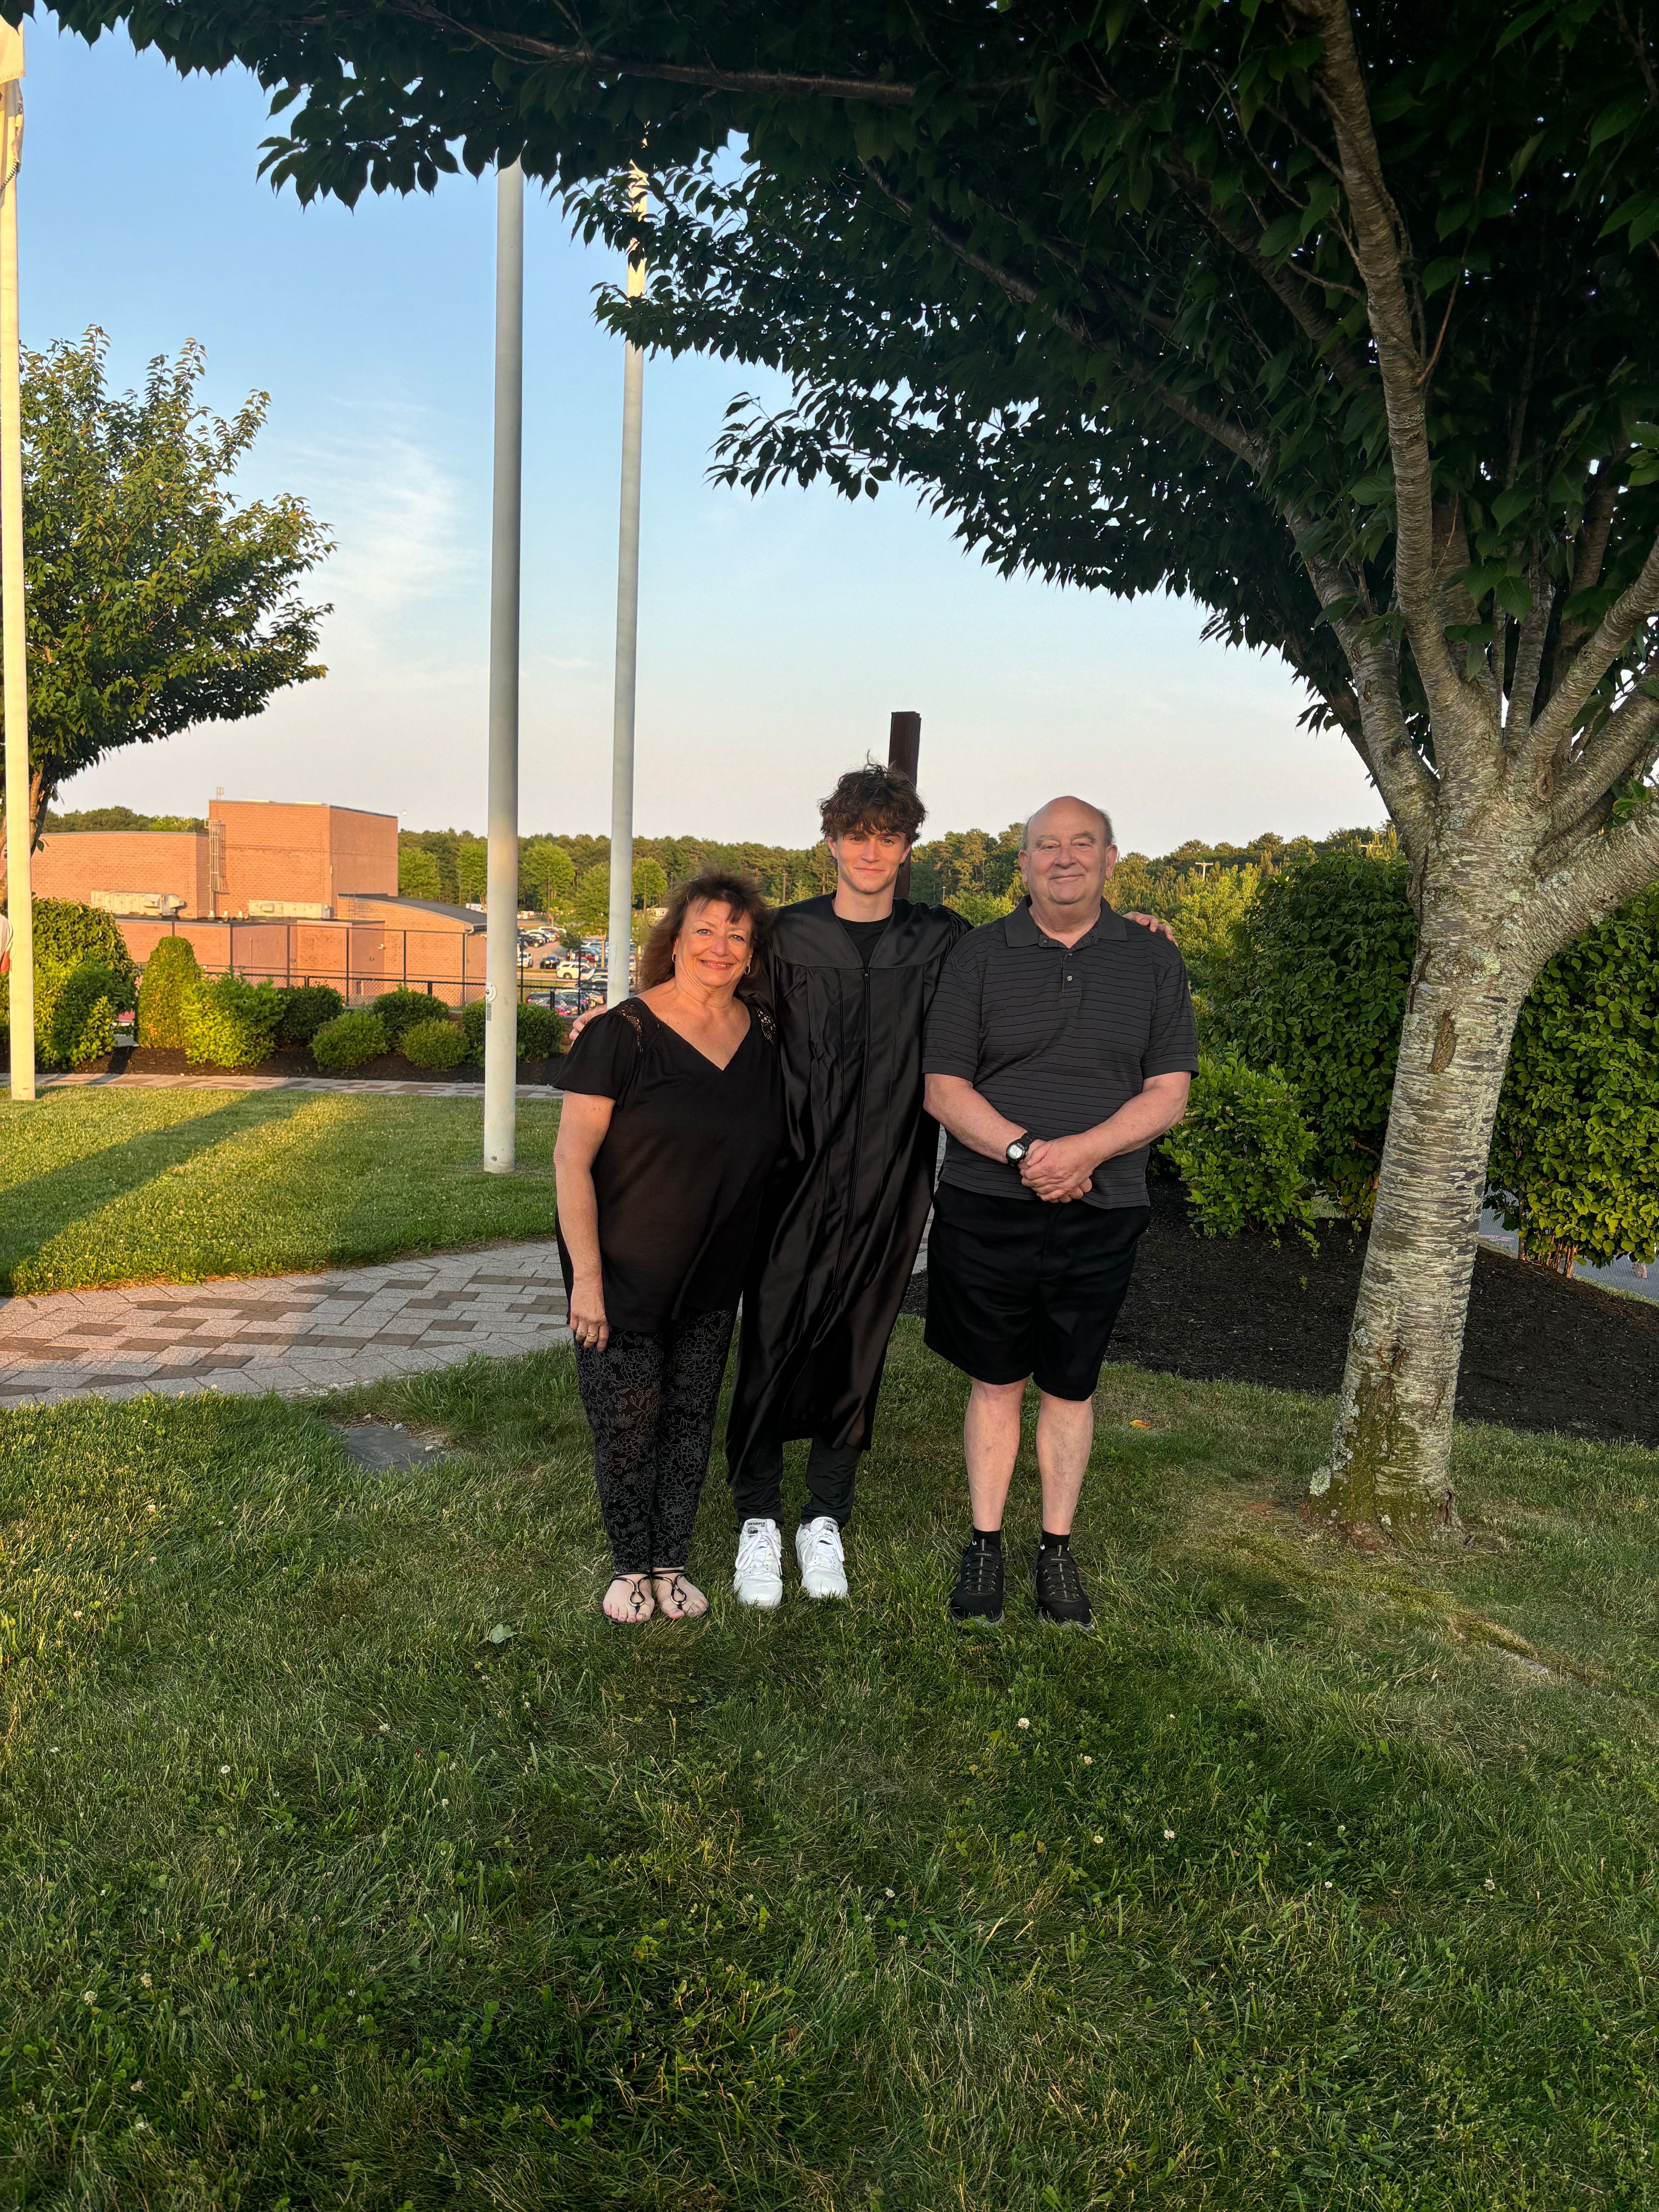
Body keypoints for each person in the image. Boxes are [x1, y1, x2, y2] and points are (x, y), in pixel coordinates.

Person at [922, 796, 1197, 1633]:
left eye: (1083, 843)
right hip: (987, 1204)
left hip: (1104, 1208)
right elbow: (943, 1088)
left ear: (1112, 860)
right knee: (995, 1380)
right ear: (1024, 863)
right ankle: (985, 1544)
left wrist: (1083, 1154)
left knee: (1071, 1385)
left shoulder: (1153, 960)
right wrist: (1028, 1155)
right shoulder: (977, 955)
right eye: (1047, 845)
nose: (1064, 857)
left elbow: (1168, 1092)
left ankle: (1056, 1549)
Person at [553, 872, 782, 1625]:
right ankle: (629, 1568)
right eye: (705, 930)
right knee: (627, 1423)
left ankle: (670, 1563)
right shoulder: (622, 1034)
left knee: (688, 1420)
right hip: (624, 1270)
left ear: (752, 953)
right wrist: (587, 1280)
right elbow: (571, 1161)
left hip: (714, 1271)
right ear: (675, 942)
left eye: (737, 935)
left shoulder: (763, 1032)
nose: (721, 947)